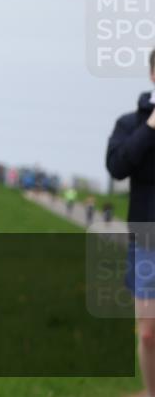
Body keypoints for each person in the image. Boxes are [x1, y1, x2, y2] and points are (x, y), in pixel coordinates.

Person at [106, 47, 155, 397]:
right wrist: (152, 125)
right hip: (147, 237)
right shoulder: (130, 123)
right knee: (149, 332)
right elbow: (118, 167)